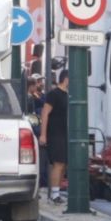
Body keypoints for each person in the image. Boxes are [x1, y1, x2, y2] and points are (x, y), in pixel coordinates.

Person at [41, 66, 70, 197]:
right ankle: (54, 194)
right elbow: (45, 113)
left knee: (63, 164)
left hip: (65, 133)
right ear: (66, 79)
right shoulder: (54, 94)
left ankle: (56, 192)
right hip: (55, 133)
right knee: (58, 163)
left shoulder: (68, 95)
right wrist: (43, 134)